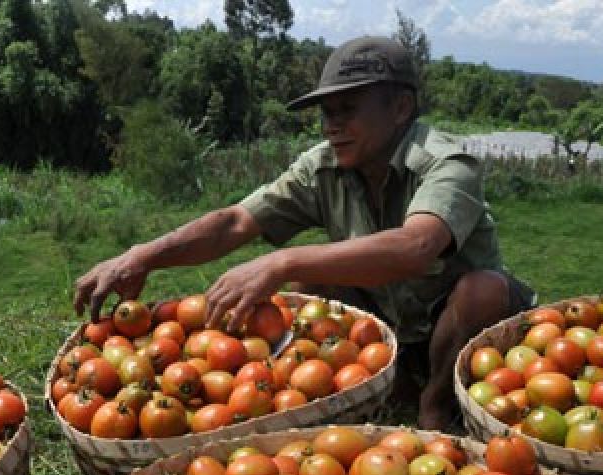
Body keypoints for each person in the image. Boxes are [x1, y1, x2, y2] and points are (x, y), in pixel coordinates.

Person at [73, 35, 536, 431]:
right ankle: (348, 388)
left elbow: (417, 246)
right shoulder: (324, 166)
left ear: (400, 107)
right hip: (392, 322)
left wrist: (281, 260)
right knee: (312, 284)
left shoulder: (447, 162)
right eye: (326, 113)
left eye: (347, 109)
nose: (331, 125)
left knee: (482, 288)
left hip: (461, 331)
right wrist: (142, 256)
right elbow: (236, 221)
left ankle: (436, 406)